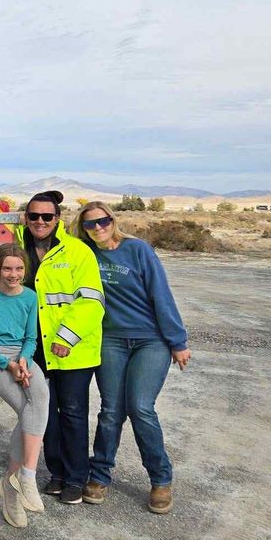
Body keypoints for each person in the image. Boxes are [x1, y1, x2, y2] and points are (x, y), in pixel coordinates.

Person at [73, 201, 190, 514]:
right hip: (110, 340)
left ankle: (160, 479)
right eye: (90, 224)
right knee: (111, 410)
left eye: (103, 221)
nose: (98, 227)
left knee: (140, 407)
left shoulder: (138, 250)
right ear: (82, 228)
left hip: (150, 340)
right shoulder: (85, 254)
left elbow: (160, 294)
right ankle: (99, 476)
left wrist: (177, 341)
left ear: (113, 220)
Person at [11, 190, 105, 506]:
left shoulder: (77, 252)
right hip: (35, 348)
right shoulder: (18, 251)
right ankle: (57, 474)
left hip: (73, 349)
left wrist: (66, 337)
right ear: (26, 218)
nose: (40, 221)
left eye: (47, 216)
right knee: (45, 411)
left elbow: (91, 302)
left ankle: (77, 478)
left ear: (58, 219)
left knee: (73, 412)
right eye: (33, 215)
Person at [0, 244, 49, 528]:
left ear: (25, 270)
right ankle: (14, 486)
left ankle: (24, 477)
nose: (13, 274)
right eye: (7, 269)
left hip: (21, 357)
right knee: (27, 409)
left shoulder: (30, 296)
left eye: (18, 268)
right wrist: (10, 366)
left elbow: (31, 338)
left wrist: (25, 361)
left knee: (41, 400)